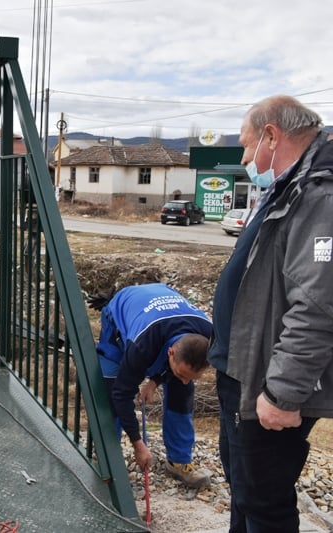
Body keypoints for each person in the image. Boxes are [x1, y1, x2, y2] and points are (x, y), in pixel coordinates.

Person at [208, 95, 333, 533]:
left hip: (266, 386)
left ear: (271, 135)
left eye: (246, 147)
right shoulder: (290, 186)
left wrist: (282, 394)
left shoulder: (320, 194)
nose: (246, 159)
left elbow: (318, 307)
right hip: (243, 374)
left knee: (265, 503)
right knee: (245, 491)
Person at [91, 283, 212, 488]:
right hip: (122, 312)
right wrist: (138, 444)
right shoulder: (141, 345)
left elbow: (181, 371)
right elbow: (122, 394)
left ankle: (179, 460)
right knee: (111, 389)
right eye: (182, 373)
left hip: (162, 315)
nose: (185, 379)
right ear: (170, 353)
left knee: (182, 393)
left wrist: (155, 381)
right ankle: (108, 456)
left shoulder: (209, 334)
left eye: (193, 376)